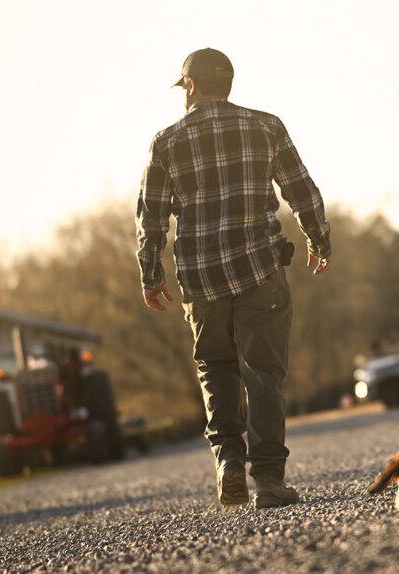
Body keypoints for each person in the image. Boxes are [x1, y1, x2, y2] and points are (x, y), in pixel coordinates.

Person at [135, 48, 331, 508]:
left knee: (216, 369)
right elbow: (302, 189)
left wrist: (150, 273)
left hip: (200, 280)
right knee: (263, 375)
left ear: (191, 86)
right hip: (260, 269)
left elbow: (151, 217)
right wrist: (319, 241)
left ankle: (228, 463)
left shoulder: (165, 140)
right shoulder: (266, 126)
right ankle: (268, 481)